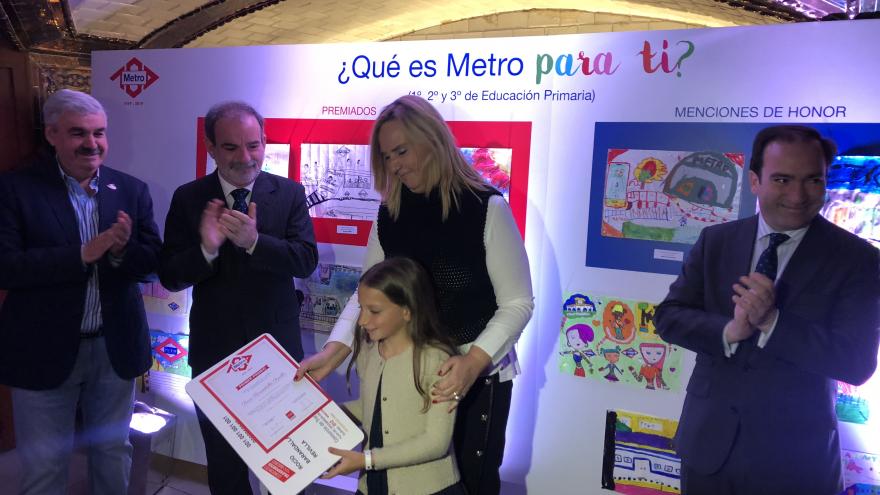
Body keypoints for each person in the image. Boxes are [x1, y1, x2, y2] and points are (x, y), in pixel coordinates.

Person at [297, 94, 534, 494]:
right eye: (387, 157)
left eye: (401, 151)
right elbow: (366, 294)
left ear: (434, 141)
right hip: (410, 374)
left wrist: (472, 363)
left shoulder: (486, 208)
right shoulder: (389, 212)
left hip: (477, 378)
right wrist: (334, 351)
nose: (395, 165)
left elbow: (518, 303)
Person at [655, 125, 880, 495]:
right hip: (709, 451)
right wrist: (728, 331)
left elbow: (856, 364)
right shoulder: (716, 241)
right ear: (755, 181)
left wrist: (772, 323)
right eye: (782, 179)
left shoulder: (857, 259)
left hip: (796, 464)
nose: (798, 194)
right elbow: (669, 316)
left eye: (812, 180)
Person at [0, 89, 161, 494]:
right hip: (41, 350)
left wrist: (123, 251)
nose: (92, 144)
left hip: (114, 349)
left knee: (112, 454)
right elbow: (6, 267)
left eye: (99, 133)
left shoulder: (131, 190)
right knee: (44, 467)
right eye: (78, 133)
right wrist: (81, 255)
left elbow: (152, 262)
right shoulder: (14, 189)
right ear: (52, 134)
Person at [158, 101, 318, 495]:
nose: (245, 158)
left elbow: (305, 260)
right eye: (231, 147)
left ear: (265, 142)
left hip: (278, 356)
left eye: (253, 145)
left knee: (289, 463)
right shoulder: (189, 197)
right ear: (211, 147)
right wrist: (207, 250)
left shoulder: (290, 193)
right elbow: (171, 275)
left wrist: (254, 243)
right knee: (225, 468)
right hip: (215, 355)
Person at [323, 257, 465, 494]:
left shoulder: (437, 360)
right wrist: (322, 417)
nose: (363, 320)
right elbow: (373, 407)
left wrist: (366, 460)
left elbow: (436, 442)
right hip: (373, 485)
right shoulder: (370, 350)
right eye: (361, 308)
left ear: (407, 311)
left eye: (374, 311)